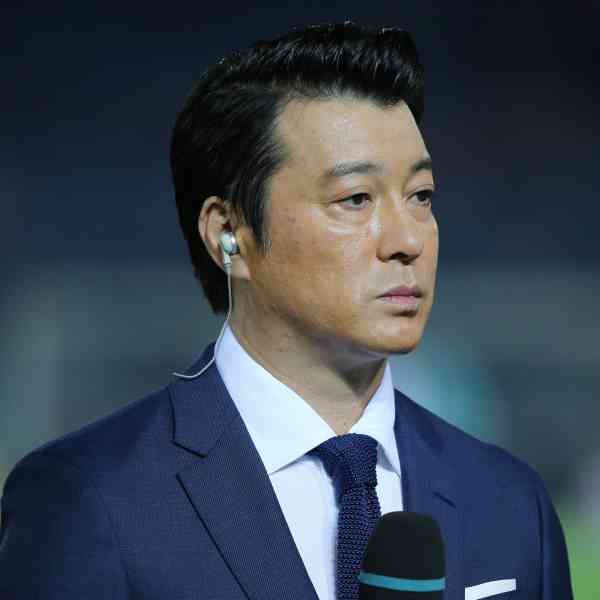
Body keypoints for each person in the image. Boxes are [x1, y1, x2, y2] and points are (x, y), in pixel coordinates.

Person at [0, 21, 573, 600]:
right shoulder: (91, 501)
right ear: (229, 232)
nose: (408, 239)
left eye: (421, 196)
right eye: (356, 199)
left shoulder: (510, 504)